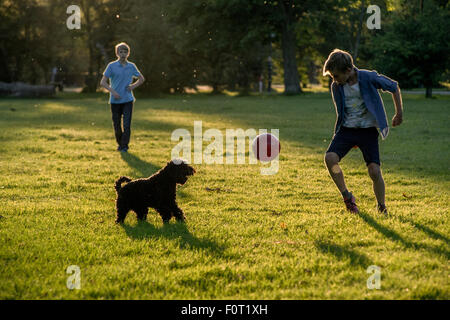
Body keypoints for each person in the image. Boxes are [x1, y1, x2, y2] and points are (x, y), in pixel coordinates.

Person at [322, 49, 403, 215]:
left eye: (336, 76)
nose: (334, 80)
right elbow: (341, 112)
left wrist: (399, 113)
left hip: (368, 132)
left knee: (374, 171)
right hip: (347, 130)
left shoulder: (368, 77)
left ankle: (381, 206)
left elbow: (394, 87)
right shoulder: (336, 87)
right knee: (330, 158)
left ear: (348, 70)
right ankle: (347, 197)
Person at [100, 42, 145, 152]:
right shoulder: (111, 66)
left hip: (128, 100)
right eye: (121, 51)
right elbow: (103, 82)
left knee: (126, 125)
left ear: (128, 53)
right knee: (116, 125)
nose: (123, 53)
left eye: (125, 51)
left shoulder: (131, 66)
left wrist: (132, 86)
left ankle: (124, 146)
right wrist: (112, 91)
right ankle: (120, 144)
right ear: (117, 53)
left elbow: (141, 79)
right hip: (115, 100)